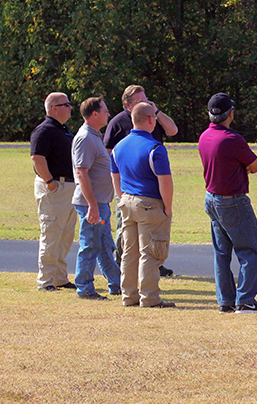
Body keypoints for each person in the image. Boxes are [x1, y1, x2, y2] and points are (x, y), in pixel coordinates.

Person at [199, 93, 257, 313]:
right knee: (250, 251)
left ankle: (226, 301)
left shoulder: (204, 136)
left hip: (211, 198)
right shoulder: (232, 139)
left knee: (222, 253)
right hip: (232, 200)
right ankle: (246, 300)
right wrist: (246, 168)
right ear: (230, 113)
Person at [104, 85, 178, 276]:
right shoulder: (118, 123)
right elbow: (110, 155)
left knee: (152, 234)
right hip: (130, 187)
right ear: (128, 105)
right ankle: (122, 268)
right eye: (140, 101)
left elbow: (173, 131)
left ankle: (155, 267)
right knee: (126, 233)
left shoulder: (152, 116)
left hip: (152, 187)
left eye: (146, 99)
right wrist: (120, 194)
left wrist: (157, 112)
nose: (146, 103)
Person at [110, 102, 175, 308]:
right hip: (149, 202)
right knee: (151, 251)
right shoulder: (155, 148)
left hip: (127, 200)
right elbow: (165, 180)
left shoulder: (119, 146)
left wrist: (121, 197)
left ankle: (129, 295)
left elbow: (115, 175)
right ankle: (150, 297)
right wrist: (167, 207)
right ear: (150, 120)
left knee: (129, 251)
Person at [71, 96, 121, 301]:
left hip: (100, 203)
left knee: (104, 244)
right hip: (91, 204)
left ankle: (116, 283)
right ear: (94, 114)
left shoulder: (94, 136)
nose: (108, 114)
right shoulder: (85, 138)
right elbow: (81, 173)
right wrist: (92, 206)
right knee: (90, 244)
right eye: (105, 110)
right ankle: (84, 288)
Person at [29, 92, 77, 292]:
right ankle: (45, 281)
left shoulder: (63, 129)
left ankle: (59, 277)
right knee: (51, 233)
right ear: (54, 108)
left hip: (69, 187)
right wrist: (50, 182)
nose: (70, 108)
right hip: (55, 187)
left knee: (65, 235)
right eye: (66, 105)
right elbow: (37, 158)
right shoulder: (44, 130)